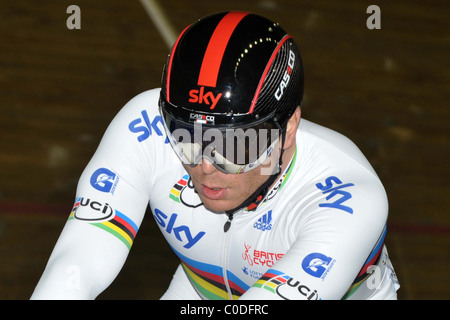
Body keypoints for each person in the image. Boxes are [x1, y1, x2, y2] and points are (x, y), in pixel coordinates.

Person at [31, 11, 399, 300]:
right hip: (199, 290)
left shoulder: (349, 199)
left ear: (288, 129)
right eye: (186, 138)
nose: (205, 167)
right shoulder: (143, 123)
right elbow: (75, 268)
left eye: (235, 148)